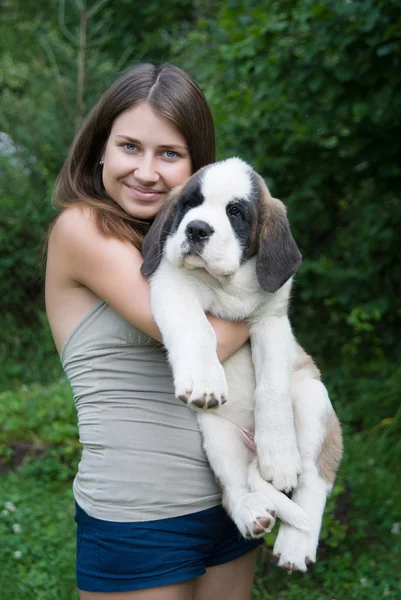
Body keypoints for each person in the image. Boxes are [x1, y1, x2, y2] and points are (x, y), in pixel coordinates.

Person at [45, 63, 264, 600]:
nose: (145, 171)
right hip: (138, 515)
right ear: (100, 148)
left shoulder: (180, 247)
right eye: (129, 147)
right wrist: (268, 295)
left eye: (169, 154)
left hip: (228, 502)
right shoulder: (83, 228)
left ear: (197, 168)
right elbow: (200, 337)